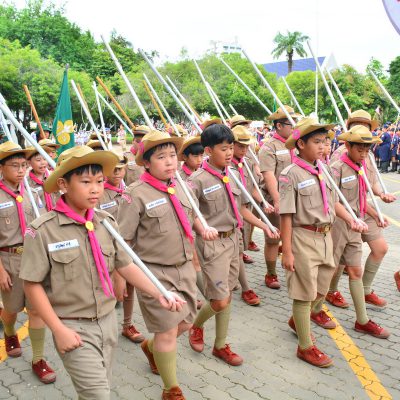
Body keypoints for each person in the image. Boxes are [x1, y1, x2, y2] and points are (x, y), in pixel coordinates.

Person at [20, 145, 185, 399]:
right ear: (63, 184)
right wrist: (58, 329)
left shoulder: (106, 222)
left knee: (96, 390)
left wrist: (159, 292)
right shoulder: (43, 231)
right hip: (73, 326)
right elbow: (32, 285)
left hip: (108, 322)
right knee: (98, 395)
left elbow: (125, 265)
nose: (96, 189)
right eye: (86, 182)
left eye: (99, 181)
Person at [117, 130, 217, 400]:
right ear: (146, 162)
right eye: (161, 157)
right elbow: (123, 241)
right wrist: (120, 276)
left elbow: (191, 215)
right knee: (167, 331)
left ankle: (151, 348)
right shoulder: (135, 194)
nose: (170, 161)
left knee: (185, 322)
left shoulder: (181, 184)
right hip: (154, 272)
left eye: (172, 155)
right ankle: (170, 389)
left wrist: (203, 228)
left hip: (184, 267)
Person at [188, 120, 279, 367]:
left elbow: (241, 210)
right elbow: (189, 215)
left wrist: (264, 225)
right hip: (212, 244)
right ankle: (196, 325)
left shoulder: (235, 175)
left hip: (233, 241)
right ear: (208, 151)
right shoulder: (197, 181)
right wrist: (202, 229)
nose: (229, 153)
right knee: (219, 299)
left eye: (231, 148)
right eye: (223, 149)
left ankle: (220, 345)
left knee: (226, 295)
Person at [279, 117, 358, 367]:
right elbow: (286, 215)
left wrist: (351, 219)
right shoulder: (290, 174)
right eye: (317, 142)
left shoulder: (324, 170)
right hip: (303, 237)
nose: (323, 146)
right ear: (301, 144)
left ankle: (297, 320)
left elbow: (333, 202)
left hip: (325, 236)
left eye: (325, 141)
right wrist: (287, 250)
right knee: (304, 294)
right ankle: (305, 347)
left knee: (321, 290)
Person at [326, 110, 396, 309]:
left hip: (363, 208)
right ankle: (330, 291)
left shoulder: (367, 153)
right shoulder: (342, 154)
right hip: (345, 211)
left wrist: (381, 195)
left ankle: (365, 291)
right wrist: (350, 217)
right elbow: (335, 195)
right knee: (340, 258)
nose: (363, 127)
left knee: (380, 248)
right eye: (357, 124)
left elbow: (370, 183)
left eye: (366, 125)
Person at [0, 141, 56, 383]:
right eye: (15, 166)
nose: (21, 170)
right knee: (11, 309)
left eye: (24, 165)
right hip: (9, 259)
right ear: (1, 168)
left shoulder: (34, 192)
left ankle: (38, 359)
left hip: (34, 258)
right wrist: (0, 270)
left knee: (36, 310)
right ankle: (9, 331)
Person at [98, 154, 145, 344]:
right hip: (104, 250)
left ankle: (127, 324)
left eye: (121, 169)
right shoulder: (99, 194)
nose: (117, 173)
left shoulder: (129, 192)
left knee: (129, 287)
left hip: (127, 248)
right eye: (113, 169)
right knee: (105, 290)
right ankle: (102, 329)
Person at [259, 105, 300, 289]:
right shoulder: (269, 147)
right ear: (279, 126)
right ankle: (271, 273)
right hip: (275, 198)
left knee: (296, 237)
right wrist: (277, 200)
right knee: (274, 238)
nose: (294, 126)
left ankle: (295, 269)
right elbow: (268, 175)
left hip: (296, 199)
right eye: (291, 123)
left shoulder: (298, 144)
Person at [26, 146, 57, 214]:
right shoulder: (26, 184)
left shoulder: (54, 177)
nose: (43, 163)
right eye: (38, 160)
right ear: (29, 162)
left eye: (45, 159)